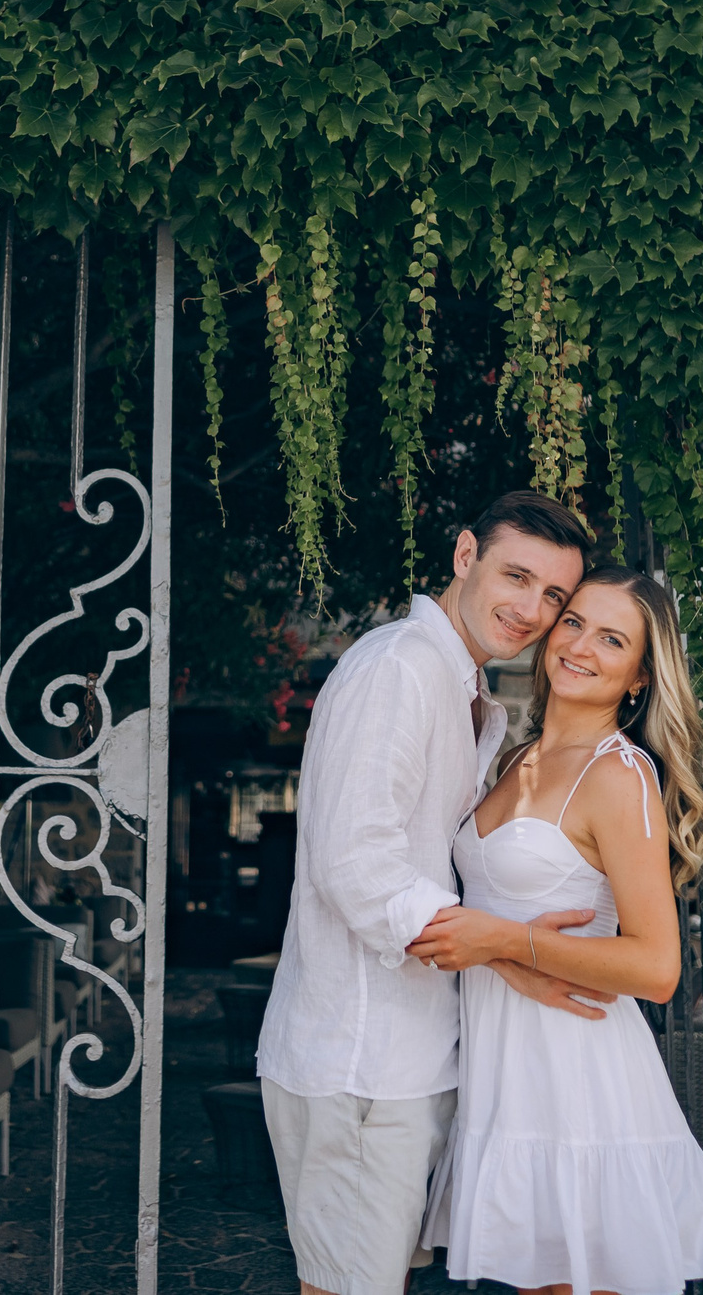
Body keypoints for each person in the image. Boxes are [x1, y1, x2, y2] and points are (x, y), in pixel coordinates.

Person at [256, 491, 599, 1295]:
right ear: (463, 556)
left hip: (406, 1053)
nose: (531, 610)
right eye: (516, 576)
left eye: (554, 596)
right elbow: (356, 862)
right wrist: (504, 953)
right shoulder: (400, 668)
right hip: (360, 1056)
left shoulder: (456, 682)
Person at [408, 566, 703, 1295]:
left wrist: (503, 940)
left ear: (641, 677)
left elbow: (657, 968)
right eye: (574, 620)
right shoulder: (511, 757)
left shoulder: (620, 776)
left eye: (612, 638)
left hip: (578, 1074)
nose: (580, 644)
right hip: (506, 1070)